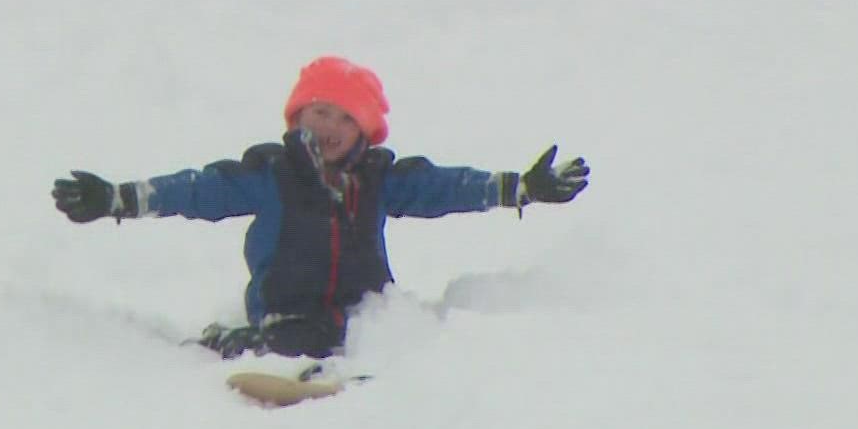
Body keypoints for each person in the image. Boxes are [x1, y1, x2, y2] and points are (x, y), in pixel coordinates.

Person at [50, 56, 589, 360]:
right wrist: (117, 198)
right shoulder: (272, 175)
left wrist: (521, 188)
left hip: (362, 312)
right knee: (295, 338)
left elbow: (443, 189)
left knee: (386, 336)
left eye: (343, 118)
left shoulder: (379, 179)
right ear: (296, 120)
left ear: (365, 130)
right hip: (288, 311)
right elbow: (197, 191)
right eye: (318, 113)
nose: (328, 128)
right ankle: (245, 344)